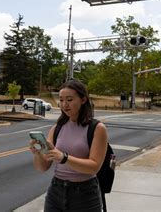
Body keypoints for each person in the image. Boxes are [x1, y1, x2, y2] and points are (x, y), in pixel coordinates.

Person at [29, 80, 108, 211]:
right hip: (56, 191)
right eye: (61, 100)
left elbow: (94, 167)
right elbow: (42, 167)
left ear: (83, 100)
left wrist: (64, 158)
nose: (64, 105)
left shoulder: (97, 128)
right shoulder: (56, 128)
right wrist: (37, 153)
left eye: (70, 99)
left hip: (85, 194)